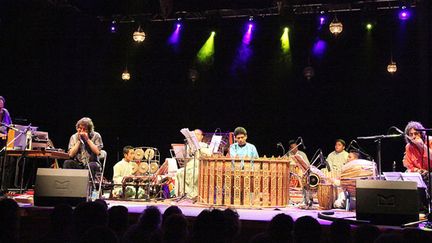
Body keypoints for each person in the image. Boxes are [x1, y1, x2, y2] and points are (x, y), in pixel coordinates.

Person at [176, 129, 212, 198]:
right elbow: (187, 158)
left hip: (200, 165)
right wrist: (189, 152)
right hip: (191, 164)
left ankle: (194, 194)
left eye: (198, 134)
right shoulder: (190, 146)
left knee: (195, 174)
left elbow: (209, 154)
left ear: (202, 137)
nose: (196, 136)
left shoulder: (205, 145)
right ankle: (184, 193)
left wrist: (199, 149)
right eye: (194, 134)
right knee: (180, 172)